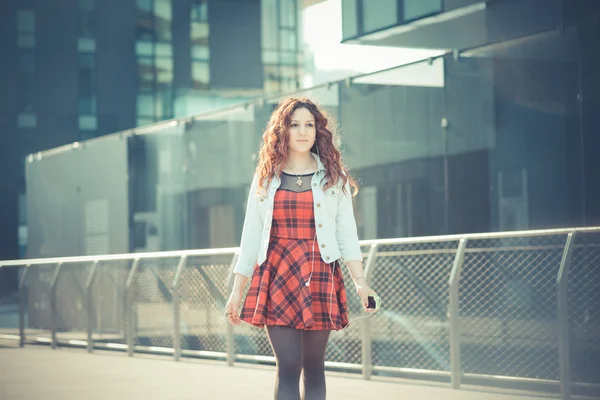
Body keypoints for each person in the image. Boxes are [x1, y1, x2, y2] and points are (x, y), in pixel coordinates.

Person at [225, 97, 379, 400]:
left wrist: (361, 283)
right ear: (283, 130)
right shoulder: (267, 177)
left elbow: (347, 234)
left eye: (309, 124)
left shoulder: (334, 177)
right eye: (294, 125)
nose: (302, 131)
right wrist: (236, 290)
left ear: (318, 130)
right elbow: (251, 235)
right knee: (289, 365)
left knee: (313, 365)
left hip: (319, 272)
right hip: (277, 274)